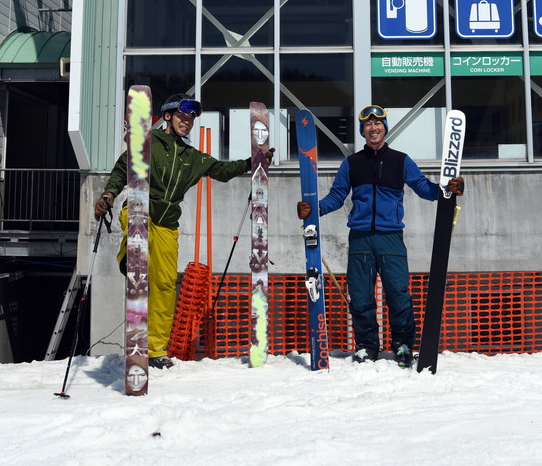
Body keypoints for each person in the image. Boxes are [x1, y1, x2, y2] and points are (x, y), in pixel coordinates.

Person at [95, 93, 272, 369]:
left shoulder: (193, 157)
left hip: (167, 223)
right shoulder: (148, 144)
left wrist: (254, 161)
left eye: (190, 120)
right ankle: (129, 259)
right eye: (181, 117)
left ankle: (155, 350)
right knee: (135, 232)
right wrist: (108, 194)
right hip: (141, 210)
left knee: (165, 286)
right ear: (167, 116)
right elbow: (121, 169)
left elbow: (223, 170)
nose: (186, 123)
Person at [296, 104, 464, 368]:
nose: (373, 128)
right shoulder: (351, 163)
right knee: (361, 296)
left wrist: (447, 189)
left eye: (378, 124)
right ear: (362, 131)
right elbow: (337, 197)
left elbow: (423, 187)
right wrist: (314, 209)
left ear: (385, 128)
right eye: (367, 125)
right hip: (360, 238)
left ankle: (403, 344)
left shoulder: (401, 160)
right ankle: (366, 345)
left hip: (391, 237)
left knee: (398, 293)